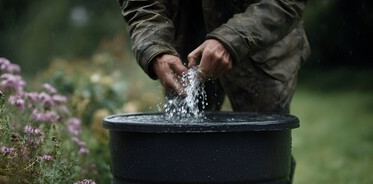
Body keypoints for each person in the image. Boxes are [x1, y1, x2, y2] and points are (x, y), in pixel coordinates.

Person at [118, 0, 310, 113]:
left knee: (264, 156)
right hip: (184, 45)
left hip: (262, 44)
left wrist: (232, 40)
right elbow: (141, 3)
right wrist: (155, 48)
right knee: (183, 150)